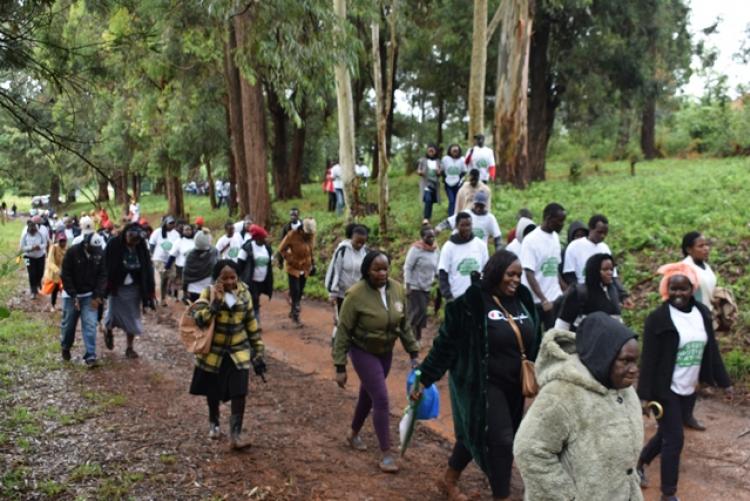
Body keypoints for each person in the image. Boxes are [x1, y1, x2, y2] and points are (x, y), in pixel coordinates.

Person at [414, 250, 539, 500]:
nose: (515, 280)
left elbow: (538, 339)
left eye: (518, 275)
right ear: (495, 273)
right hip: (481, 384)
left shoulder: (523, 299)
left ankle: (448, 479)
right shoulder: (470, 304)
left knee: (477, 432)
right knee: (502, 441)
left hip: (515, 385)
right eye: (510, 274)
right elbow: (445, 345)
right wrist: (424, 378)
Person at [513, 314, 643, 501]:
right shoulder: (562, 394)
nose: (634, 369)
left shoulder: (625, 391)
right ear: (603, 357)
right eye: (626, 361)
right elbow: (529, 450)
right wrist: (566, 496)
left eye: (635, 361)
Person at [637, 262, 733, 501]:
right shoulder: (657, 319)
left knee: (667, 434)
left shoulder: (701, 312)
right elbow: (648, 359)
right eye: (674, 289)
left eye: (683, 289)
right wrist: (644, 395)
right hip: (664, 388)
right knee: (675, 439)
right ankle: (668, 494)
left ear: (692, 289)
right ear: (666, 290)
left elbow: (712, 350)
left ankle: (640, 462)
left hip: (689, 387)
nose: (678, 294)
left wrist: (725, 382)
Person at [332, 250, 420, 473]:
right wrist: (340, 365)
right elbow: (343, 331)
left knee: (368, 395)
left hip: (385, 352)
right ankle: (386, 453)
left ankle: (352, 434)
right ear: (366, 270)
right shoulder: (355, 295)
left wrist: (414, 353)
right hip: (362, 350)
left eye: (385, 269)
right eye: (376, 269)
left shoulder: (397, 289)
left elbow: (404, 325)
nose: (382, 273)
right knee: (381, 398)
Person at [189, 259, 266, 449]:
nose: (230, 282)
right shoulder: (208, 292)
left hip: (238, 350)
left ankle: (236, 435)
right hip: (214, 351)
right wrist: (214, 305)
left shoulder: (244, 293)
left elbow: (250, 324)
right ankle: (214, 422)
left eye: (233, 277)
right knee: (212, 390)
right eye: (225, 278)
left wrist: (258, 351)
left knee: (240, 391)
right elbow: (199, 319)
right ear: (217, 279)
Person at [104, 223, 156, 358]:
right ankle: (108, 330)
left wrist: (149, 291)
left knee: (133, 317)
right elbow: (105, 266)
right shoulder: (113, 244)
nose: (134, 243)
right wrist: (103, 287)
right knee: (112, 315)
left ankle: (129, 348)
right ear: (126, 234)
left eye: (137, 241)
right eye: (132, 240)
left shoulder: (141, 247)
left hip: (134, 288)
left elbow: (147, 268)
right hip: (116, 287)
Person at [60, 233, 107, 367]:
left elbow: (103, 275)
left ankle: (90, 355)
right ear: (86, 245)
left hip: (89, 295)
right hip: (71, 296)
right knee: (69, 324)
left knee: (90, 324)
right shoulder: (72, 252)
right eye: (93, 249)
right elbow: (65, 275)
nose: (96, 252)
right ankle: (66, 346)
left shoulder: (100, 254)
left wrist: (97, 295)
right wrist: (73, 295)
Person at [520, 202, 566, 330]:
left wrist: (564, 289)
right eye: (559, 221)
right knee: (534, 337)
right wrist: (543, 299)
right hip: (536, 301)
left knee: (553, 336)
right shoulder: (531, 240)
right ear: (548, 218)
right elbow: (529, 272)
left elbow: (554, 268)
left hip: (554, 298)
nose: (562, 225)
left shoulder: (556, 238)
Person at [554, 253, 623, 332]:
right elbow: (563, 323)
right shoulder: (579, 292)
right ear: (594, 271)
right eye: (605, 269)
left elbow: (617, 318)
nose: (610, 273)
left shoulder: (613, 290)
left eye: (611, 269)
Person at [437, 212, 489, 302]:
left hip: (477, 297)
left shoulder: (481, 245)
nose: (467, 228)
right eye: (463, 225)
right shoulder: (449, 247)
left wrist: (482, 288)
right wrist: (448, 296)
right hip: (456, 297)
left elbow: (486, 271)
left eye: (469, 225)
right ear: (457, 226)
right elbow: (443, 274)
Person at [277, 218, 316, 325]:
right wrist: (290, 259)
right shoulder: (292, 235)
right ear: (302, 229)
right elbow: (281, 249)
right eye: (307, 233)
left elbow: (311, 250)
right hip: (293, 268)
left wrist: (313, 263)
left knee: (300, 291)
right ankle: (296, 316)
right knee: (296, 291)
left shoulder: (311, 236)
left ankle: (293, 309)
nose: (309, 235)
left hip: (305, 267)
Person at [404, 225, 440, 341]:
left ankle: (416, 337)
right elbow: (408, 267)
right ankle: (412, 338)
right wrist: (407, 285)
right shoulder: (416, 249)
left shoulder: (435, 250)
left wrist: (439, 280)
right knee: (416, 312)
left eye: (433, 236)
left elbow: (437, 267)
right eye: (428, 237)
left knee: (422, 313)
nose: (431, 239)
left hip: (427, 286)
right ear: (422, 237)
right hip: (415, 286)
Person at [435, 191, 502, 250]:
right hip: (462, 246)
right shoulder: (466, 214)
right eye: (477, 205)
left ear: (485, 206)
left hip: (479, 250)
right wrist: (439, 227)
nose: (478, 209)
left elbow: (497, 238)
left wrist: (499, 253)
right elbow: (449, 222)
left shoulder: (490, 218)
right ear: (474, 204)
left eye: (481, 206)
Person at [324, 224, 369, 312]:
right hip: (342, 294)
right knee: (342, 320)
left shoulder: (365, 253)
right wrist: (333, 292)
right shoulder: (342, 250)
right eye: (357, 242)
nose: (359, 245)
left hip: (358, 294)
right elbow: (335, 271)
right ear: (351, 238)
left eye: (362, 243)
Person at [239, 225, 273, 329]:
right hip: (250, 280)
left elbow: (270, 261)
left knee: (255, 300)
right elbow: (240, 264)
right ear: (257, 238)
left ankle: (249, 321)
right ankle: (255, 323)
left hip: (262, 280)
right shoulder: (247, 247)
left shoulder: (267, 248)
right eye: (263, 237)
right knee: (254, 300)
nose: (265, 239)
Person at [149, 216, 180, 306]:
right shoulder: (157, 232)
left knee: (173, 276)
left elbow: (177, 246)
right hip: (159, 258)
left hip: (171, 258)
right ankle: (162, 299)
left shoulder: (176, 234)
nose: (172, 225)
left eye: (173, 223)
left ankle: (170, 291)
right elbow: (152, 244)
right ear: (165, 224)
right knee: (164, 277)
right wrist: (151, 255)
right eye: (170, 223)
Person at [681, 231, 716, 310]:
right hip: (694, 314)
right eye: (701, 246)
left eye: (706, 245)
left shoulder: (706, 266)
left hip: (708, 312)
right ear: (689, 250)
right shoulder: (685, 268)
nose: (706, 248)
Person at [182, 230, 218, 303]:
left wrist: (184, 292)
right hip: (209, 289)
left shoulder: (189, 255)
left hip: (193, 289)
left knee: (196, 311)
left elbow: (185, 274)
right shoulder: (213, 252)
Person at [166, 224, 195, 302]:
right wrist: (167, 266)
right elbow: (172, 255)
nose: (188, 231)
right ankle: (184, 296)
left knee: (192, 282)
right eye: (186, 230)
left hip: (193, 266)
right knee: (184, 282)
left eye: (190, 229)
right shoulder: (179, 241)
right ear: (182, 231)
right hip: (182, 266)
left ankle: (190, 296)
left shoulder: (195, 241)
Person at [20, 219, 48, 299]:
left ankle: (38, 282)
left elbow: (45, 244)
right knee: (31, 273)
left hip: (40, 256)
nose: (33, 232)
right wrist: (30, 248)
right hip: (27, 257)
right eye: (31, 231)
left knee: (40, 272)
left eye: (34, 231)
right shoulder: (24, 235)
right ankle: (33, 291)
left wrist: (39, 247)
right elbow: (22, 247)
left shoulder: (40, 234)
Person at [417, 144, 442, 222]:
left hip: (434, 184)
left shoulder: (438, 161)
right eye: (429, 150)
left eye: (432, 150)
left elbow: (440, 172)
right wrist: (420, 172)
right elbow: (418, 170)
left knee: (431, 201)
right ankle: (425, 218)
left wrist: (439, 172)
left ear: (435, 152)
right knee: (427, 199)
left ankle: (428, 217)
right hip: (425, 183)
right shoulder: (423, 160)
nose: (431, 152)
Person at [43, 232, 67, 311]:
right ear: (58, 241)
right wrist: (57, 270)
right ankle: (53, 305)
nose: (62, 243)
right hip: (55, 273)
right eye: (61, 241)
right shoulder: (54, 248)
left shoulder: (67, 249)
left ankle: (65, 306)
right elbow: (50, 261)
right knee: (55, 290)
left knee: (65, 290)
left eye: (64, 241)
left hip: (64, 273)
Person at [441, 144, 466, 217]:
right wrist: (445, 178)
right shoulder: (445, 159)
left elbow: (464, 171)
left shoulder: (462, 159)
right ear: (450, 151)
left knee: (458, 200)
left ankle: (458, 215)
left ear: (459, 151)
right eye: (453, 150)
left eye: (456, 151)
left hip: (458, 183)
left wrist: (459, 178)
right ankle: (451, 217)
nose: (455, 152)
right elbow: (442, 170)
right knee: (452, 200)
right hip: (448, 183)